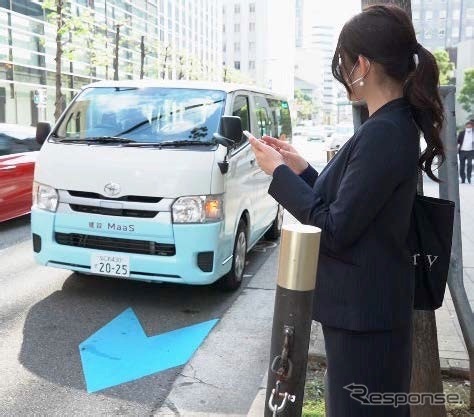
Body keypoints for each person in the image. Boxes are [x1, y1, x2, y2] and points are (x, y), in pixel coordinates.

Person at [249, 5, 444, 417]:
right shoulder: (388, 126)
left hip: (366, 321)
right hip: (367, 315)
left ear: (362, 64)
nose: (342, 75)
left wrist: (279, 173)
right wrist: (300, 169)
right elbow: (353, 205)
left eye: (342, 63)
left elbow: (336, 228)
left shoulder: (385, 132)